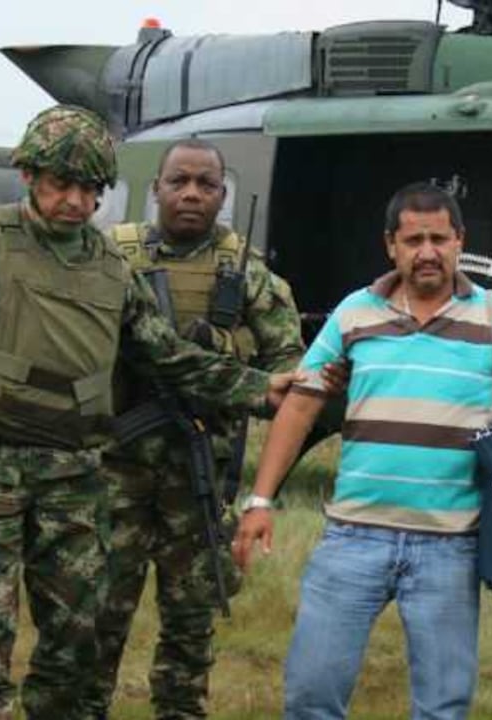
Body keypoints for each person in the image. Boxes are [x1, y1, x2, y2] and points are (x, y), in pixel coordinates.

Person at [0, 105, 297, 719]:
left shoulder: (110, 266)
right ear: (29, 177)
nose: (73, 201)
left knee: (74, 645)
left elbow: (166, 356)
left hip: (74, 474)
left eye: (88, 188)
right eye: (60, 184)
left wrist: (261, 388)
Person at [233, 182, 492, 719]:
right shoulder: (354, 312)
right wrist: (258, 501)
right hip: (352, 538)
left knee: (443, 706)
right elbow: (299, 405)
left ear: (460, 241)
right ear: (391, 245)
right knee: (310, 694)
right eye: (414, 239)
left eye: (439, 237)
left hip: (450, 544)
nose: (427, 251)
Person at [86, 139, 306, 718]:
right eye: (178, 181)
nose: (190, 194)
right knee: (97, 621)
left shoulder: (247, 274)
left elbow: (291, 377)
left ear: (222, 194)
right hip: (116, 471)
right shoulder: (113, 256)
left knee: (189, 633)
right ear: (156, 187)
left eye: (205, 185)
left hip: (200, 473)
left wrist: (225, 353)